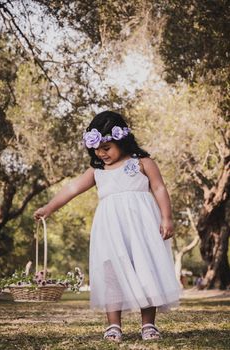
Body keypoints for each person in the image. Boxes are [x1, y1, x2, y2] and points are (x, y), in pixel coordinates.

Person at [34, 111, 181, 342]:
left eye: (107, 147)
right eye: (96, 149)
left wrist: (167, 218)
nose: (101, 153)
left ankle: (148, 325)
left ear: (122, 140)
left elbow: (159, 188)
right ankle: (114, 325)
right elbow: (72, 189)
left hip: (142, 228)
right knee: (111, 274)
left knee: (146, 270)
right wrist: (49, 207)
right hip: (111, 231)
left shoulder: (142, 163)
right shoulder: (97, 171)